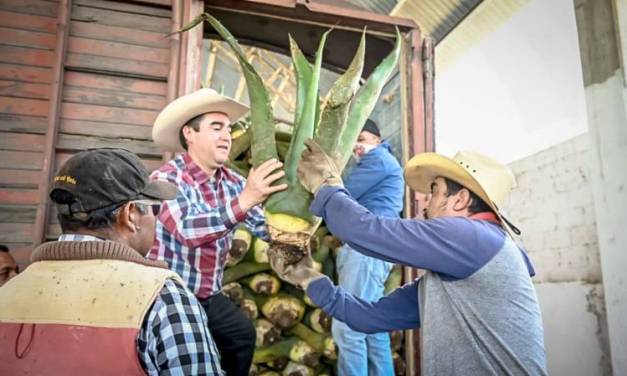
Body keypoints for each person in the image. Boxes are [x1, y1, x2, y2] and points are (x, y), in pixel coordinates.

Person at [270, 140, 548, 375]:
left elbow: (366, 231)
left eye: (434, 192)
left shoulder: (476, 237)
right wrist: (309, 279)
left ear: (460, 200)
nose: (425, 203)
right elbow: (370, 318)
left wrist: (326, 185)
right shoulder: (452, 276)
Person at [0, 148, 223, 375]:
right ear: (130, 215)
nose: (156, 218)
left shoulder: (8, 292)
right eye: (154, 208)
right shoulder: (162, 296)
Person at [150, 88, 287, 376]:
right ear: (189, 133)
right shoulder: (166, 179)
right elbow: (188, 230)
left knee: (241, 336)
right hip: (167, 294)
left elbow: (263, 226)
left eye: (229, 128)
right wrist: (245, 200)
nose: (227, 135)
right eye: (216, 127)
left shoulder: (233, 182)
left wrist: (291, 233)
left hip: (207, 296)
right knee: (187, 361)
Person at [333, 119, 404, 376]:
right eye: (354, 141)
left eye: (361, 138)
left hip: (366, 249)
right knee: (373, 329)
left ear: (377, 138)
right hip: (376, 251)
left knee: (348, 326)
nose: (357, 146)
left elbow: (342, 194)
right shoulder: (383, 163)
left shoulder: (377, 161)